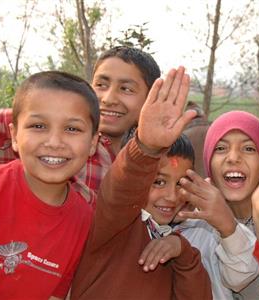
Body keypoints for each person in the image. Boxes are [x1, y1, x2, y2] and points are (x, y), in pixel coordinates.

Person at [70, 66, 212, 300]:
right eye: (158, 182)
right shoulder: (114, 223)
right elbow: (121, 189)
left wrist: (182, 253)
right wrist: (146, 147)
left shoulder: (177, 240)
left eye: (180, 184)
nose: (171, 196)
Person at [0, 46, 160, 206]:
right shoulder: (27, 123)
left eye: (126, 89)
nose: (108, 98)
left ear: (150, 98)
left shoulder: (148, 163)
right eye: (101, 85)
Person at [0, 71, 99, 299]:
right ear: (15, 136)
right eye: (38, 126)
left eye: (72, 129)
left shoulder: (85, 222)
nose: (55, 142)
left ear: (93, 143)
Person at [178, 110, 259, 299]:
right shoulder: (196, 222)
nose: (233, 157)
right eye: (221, 148)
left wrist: (233, 228)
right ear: (209, 163)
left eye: (249, 148)